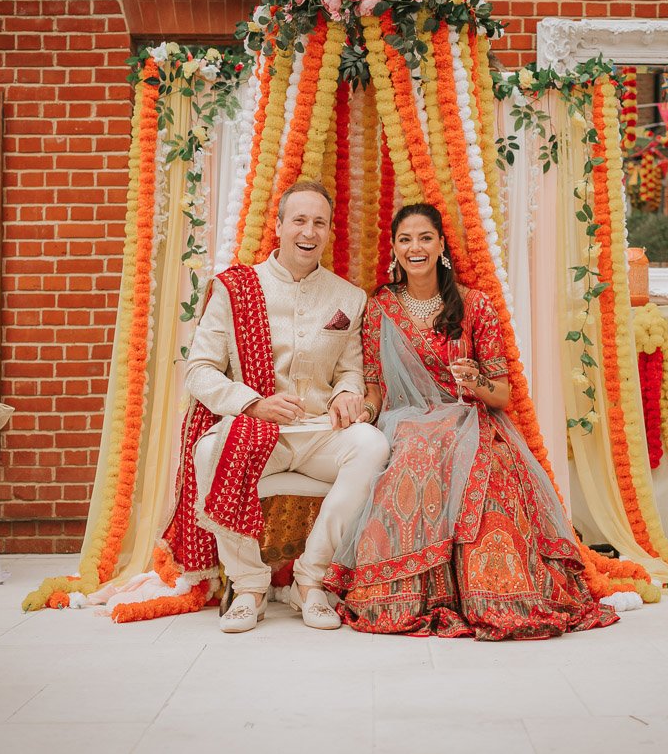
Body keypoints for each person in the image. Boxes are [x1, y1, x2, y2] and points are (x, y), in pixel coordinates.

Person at [325, 203, 619, 640]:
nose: (415, 247)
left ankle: (497, 593)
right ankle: (412, 595)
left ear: (441, 244)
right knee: (414, 457)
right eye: (405, 239)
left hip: (471, 419)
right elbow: (374, 387)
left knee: (492, 472)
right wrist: (361, 414)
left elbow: (502, 393)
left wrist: (476, 380)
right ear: (394, 248)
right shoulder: (380, 308)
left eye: (425, 237)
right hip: (406, 421)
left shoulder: (474, 305)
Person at [176, 180, 390, 634]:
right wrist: (252, 404)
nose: (308, 231)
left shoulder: (348, 298)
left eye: (319, 222)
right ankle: (249, 585)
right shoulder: (236, 288)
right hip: (255, 428)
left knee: (371, 446)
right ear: (279, 226)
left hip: (317, 431)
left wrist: (346, 394)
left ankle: (310, 581)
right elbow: (199, 370)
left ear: (329, 232)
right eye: (299, 220)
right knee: (206, 451)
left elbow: (350, 370)